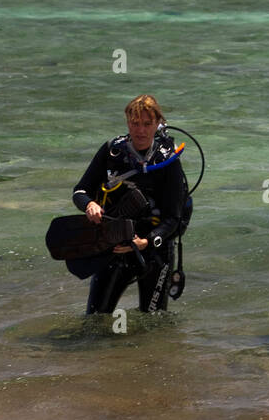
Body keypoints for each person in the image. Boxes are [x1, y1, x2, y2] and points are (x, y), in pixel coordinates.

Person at [71, 95, 189, 313]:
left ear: (157, 124)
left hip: (154, 250)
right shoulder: (112, 152)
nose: (141, 130)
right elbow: (79, 191)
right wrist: (89, 205)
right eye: (135, 123)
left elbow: (174, 217)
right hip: (113, 247)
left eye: (147, 124)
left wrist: (147, 241)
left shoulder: (168, 162)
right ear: (127, 122)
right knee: (96, 318)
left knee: (153, 321)